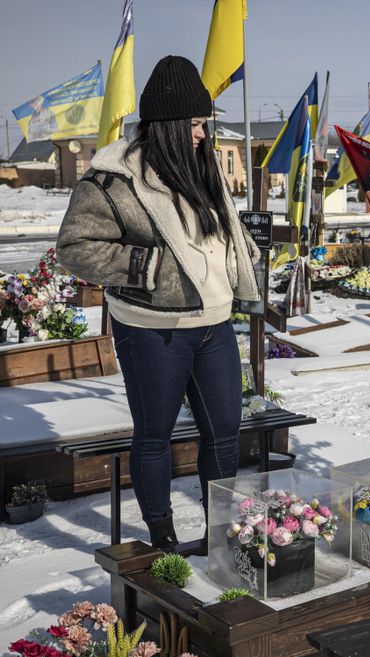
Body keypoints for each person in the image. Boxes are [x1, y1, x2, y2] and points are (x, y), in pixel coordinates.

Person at [56, 55, 261, 550]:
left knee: (226, 432)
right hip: (152, 330)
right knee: (155, 436)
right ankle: (162, 535)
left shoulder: (201, 167)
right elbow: (75, 247)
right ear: (167, 124)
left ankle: (220, 533)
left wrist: (242, 256)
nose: (202, 133)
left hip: (213, 325)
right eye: (194, 123)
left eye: (204, 123)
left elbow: (213, 237)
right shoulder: (112, 179)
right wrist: (147, 269)